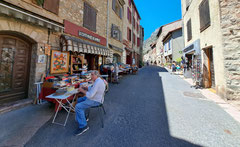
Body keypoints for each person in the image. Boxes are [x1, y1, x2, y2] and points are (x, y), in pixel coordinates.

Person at [75, 70, 106, 136]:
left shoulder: (97, 82)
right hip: (96, 98)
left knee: (78, 106)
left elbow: (90, 95)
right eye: (91, 74)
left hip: (96, 101)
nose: (91, 76)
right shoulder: (98, 80)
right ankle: (84, 117)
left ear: (96, 75)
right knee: (80, 100)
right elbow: (92, 88)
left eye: (92, 75)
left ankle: (83, 126)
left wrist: (82, 90)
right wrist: (86, 88)